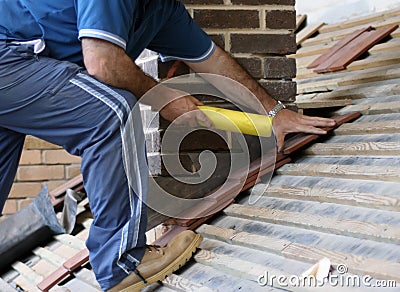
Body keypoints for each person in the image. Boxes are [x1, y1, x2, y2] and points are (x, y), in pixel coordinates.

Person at [0, 0, 335, 290]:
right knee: (111, 114)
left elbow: (210, 59)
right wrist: (164, 97)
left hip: (15, 67)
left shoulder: (160, 10)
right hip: (9, 58)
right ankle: (120, 266)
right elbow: (102, 62)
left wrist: (275, 113)